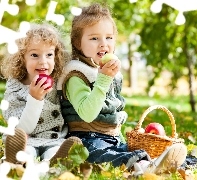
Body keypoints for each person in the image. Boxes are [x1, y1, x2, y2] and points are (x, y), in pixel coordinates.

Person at [56, 2, 187, 175]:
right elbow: (87, 113)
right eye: (94, 38)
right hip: (86, 138)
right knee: (103, 156)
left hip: (114, 138)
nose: (103, 44)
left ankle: (195, 163)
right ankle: (147, 167)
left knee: (137, 150)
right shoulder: (76, 75)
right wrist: (103, 80)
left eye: (109, 37)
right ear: (77, 43)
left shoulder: (105, 71)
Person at [1, 22, 82, 166]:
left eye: (49, 54)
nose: (43, 61)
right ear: (21, 57)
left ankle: (55, 162)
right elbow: (23, 129)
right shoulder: (16, 87)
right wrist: (35, 98)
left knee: (55, 151)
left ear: (56, 56)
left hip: (53, 139)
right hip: (26, 138)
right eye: (34, 55)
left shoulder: (58, 82)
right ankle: (17, 160)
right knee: (27, 152)